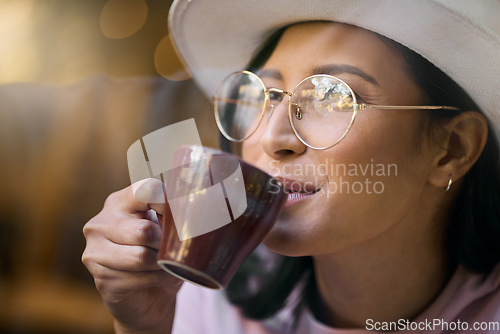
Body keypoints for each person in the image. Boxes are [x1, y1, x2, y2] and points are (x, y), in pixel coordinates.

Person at [82, 0, 500, 333]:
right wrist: (145, 327)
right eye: (262, 95)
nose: (271, 138)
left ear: (453, 149)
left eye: (332, 98)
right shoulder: (206, 292)